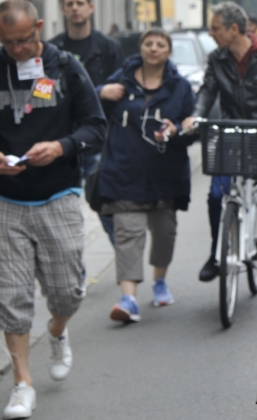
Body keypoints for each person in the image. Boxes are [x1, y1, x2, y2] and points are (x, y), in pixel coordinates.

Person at [0, 0, 106, 419]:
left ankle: (57, 331)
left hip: (58, 195)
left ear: (39, 27)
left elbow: (96, 126)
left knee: (68, 290)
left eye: (25, 40)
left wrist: (61, 146)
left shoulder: (66, 68)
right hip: (4, 200)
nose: (18, 49)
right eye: (9, 43)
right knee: (10, 295)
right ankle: (22, 383)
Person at [182, 2, 257, 283]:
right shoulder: (216, 59)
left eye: (215, 28)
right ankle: (215, 252)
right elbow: (207, 93)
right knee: (215, 196)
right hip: (230, 131)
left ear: (234, 29)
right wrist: (194, 117)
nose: (211, 34)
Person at [96, 28, 196, 322]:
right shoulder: (119, 82)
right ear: (140, 48)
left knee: (164, 233)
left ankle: (160, 281)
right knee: (128, 235)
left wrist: (178, 129)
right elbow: (89, 111)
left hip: (165, 174)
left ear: (168, 51)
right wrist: (100, 93)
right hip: (124, 171)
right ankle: (128, 299)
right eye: (148, 44)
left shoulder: (180, 87)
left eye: (160, 44)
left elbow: (190, 131)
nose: (154, 48)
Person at [49, 0, 124, 245]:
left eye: (80, 3)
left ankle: (127, 273)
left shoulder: (108, 48)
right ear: (62, 9)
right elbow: (48, 94)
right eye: (70, 4)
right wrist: (100, 90)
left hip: (99, 142)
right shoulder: (53, 49)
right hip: (64, 141)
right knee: (63, 214)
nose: (75, 8)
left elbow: (121, 92)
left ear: (91, 7)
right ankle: (74, 279)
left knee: (106, 206)